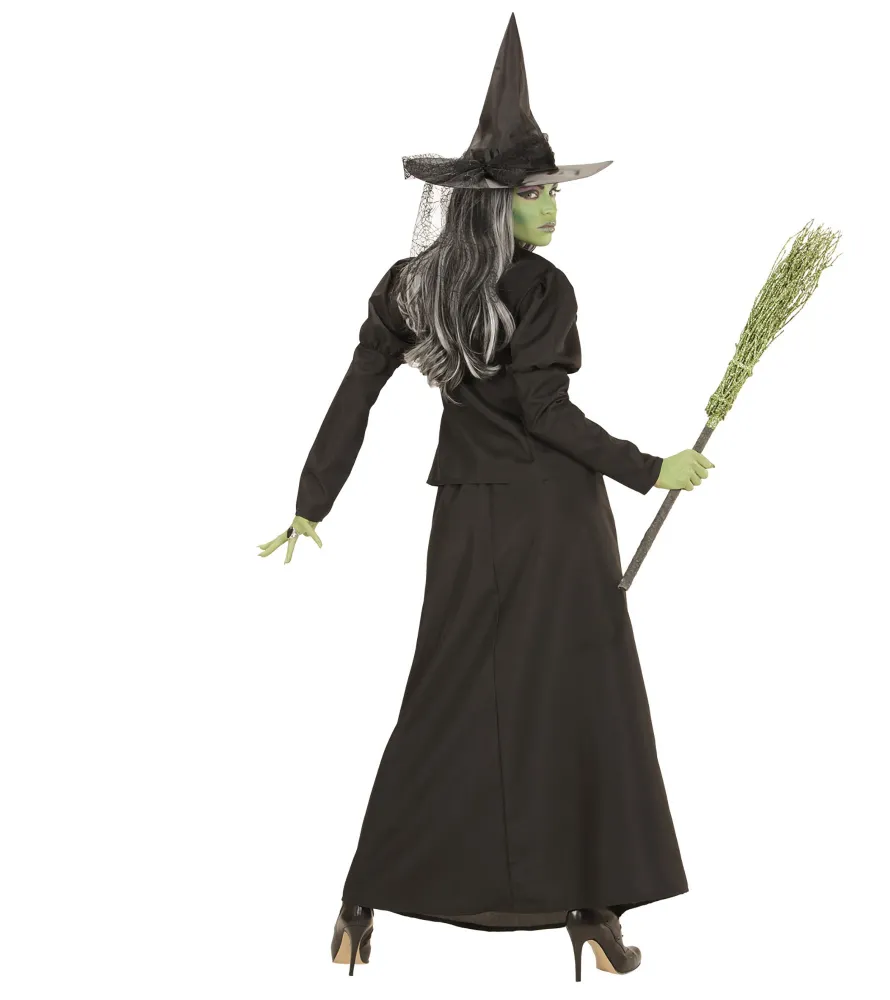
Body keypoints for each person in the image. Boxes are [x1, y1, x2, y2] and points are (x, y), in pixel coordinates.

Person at [257, 13, 714, 981]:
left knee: (452, 696)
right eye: (536, 193)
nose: (552, 209)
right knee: (579, 697)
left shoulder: (411, 286)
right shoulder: (543, 290)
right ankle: (590, 909)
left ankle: (371, 907)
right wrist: (650, 468)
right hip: (553, 519)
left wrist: (312, 500)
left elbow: (357, 390)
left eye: (554, 192)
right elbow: (546, 413)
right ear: (494, 202)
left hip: (468, 515)